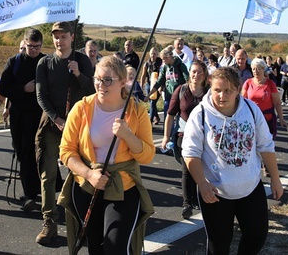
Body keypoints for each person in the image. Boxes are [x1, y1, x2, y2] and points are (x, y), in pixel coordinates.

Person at [58, 55, 155, 255]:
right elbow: (66, 151)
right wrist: (89, 174)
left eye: (107, 80)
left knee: (115, 247)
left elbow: (147, 156)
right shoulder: (81, 108)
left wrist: (128, 135)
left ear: (123, 81)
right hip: (87, 187)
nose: (101, 85)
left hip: (124, 187)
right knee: (95, 247)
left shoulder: (137, 111)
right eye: (97, 79)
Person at [182, 67, 283, 254]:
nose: (222, 95)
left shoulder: (251, 110)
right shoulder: (200, 114)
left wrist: (275, 178)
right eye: (217, 90)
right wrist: (202, 184)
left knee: (257, 235)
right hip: (215, 192)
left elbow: (266, 145)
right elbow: (190, 153)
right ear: (210, 88)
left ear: (238, 89)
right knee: (218, 244)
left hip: (251, 187)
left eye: (228, 90)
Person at [35, 21, 94, 245]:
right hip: (51, 125)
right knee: (48, 175)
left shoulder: (82, 60)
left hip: (79, 126)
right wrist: (57, 119)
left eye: (63, 37)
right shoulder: (44, 62)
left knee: (81, 175)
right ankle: (49, 221)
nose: (59, 41)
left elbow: (91, 91)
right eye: (56, 37)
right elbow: (41, 95)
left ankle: (82, 222)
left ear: (72, 37)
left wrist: (78, 74)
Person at [0, 28, 45, 212]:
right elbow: (3, 89)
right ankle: (30, 192)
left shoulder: (46, 62)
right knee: (23, 153)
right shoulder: (14, 62)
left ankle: (32, 193)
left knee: (38, 153)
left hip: (40, 116)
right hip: (19, 116)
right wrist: (23, 89)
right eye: (30, 46)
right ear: (24, 43)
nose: (33, 50)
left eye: (37, 46)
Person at [162, 60, 209, 219]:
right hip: (184, 136)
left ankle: (198, 198)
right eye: (194, 72)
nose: (196, 75)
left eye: (200, 72)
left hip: (206, 137)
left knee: (202, 168)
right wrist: (166, 136)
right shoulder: (181, 90)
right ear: (190, 73)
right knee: (187, 168)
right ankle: (187, 203)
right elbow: (170, 114)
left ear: (204, 75)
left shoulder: (209, 92)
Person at [241, 58, 286, 139]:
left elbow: (277, 103)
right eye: (253, 69)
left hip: (267, 119)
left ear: (263, 69)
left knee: (265, 144)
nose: (255, 71)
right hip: (251, 119)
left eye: (258, 68)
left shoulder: (270, 83)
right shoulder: (248, 83)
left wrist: (281, 119)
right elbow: (242, 101)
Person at [150, 46, 189, 135]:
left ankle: (177, 135)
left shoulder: (180, 65)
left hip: (179, 96)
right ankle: (168, 136)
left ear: (169, 57)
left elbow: (187, 79)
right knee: (167, 115)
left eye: (164, 59)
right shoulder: (165, 68)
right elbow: (159, 81)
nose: (163, 61)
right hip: (168, 95)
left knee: (180, 117)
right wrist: (149, 95)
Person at [140, 47, 163, 125]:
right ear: (149, 54)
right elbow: (143, 75)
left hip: (157, 85)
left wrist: (161, 86)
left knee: (153, 102)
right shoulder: (146, 64)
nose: (153, 55)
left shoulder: (161, 63)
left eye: (154, 53)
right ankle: (157, 117)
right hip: (149, 84)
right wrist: (141, 86)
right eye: (151, 53)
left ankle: (150, 121)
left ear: (157, 54)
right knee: (151, 102)